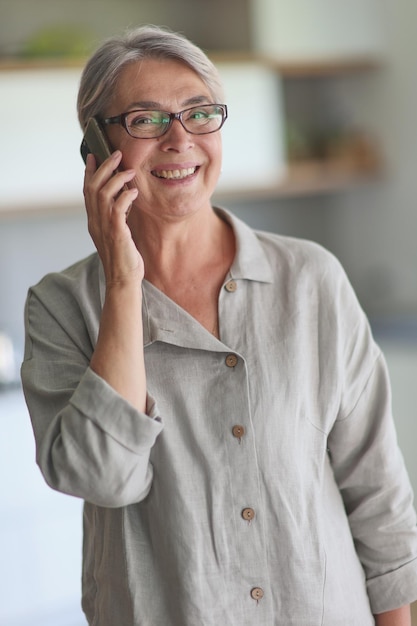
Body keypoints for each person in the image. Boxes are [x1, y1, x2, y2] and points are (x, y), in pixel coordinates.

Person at [21, 25, 417, 626]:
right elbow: (103, 477)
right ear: (96, 147)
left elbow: (378, 495)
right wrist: (124, 284)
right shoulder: (60, 307)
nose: (180, 139)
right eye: (146, 120)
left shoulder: (311, 280)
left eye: (198, 113)